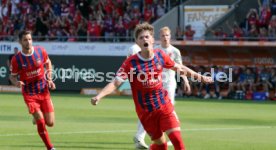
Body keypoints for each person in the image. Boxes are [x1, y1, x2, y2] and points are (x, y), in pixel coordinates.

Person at [91, 22, 213, 150]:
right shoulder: (130, 63)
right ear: (137, 43)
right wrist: (99, 96)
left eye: (147, 36)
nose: (144, 39)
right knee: (161, 146)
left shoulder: (160, 55)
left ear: (153, 40)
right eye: (141, 37)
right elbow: (115, 83)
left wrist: (200, 77)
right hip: (146, 112)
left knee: (177, 141)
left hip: (163, 106)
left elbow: (179, 68)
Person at [9, 30, 56, 150]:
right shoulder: (17, 59)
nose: (28, 42)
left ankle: (36, 117)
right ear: (20, 42)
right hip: (29, 94)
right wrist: (16, 82)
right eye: (25, 40)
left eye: (30, 39)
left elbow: (48, 62)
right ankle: (50, 147)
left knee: (50, 123)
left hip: (43, 90)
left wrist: (49, 78)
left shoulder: (40, 51)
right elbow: (12, 76)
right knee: (41, 122)